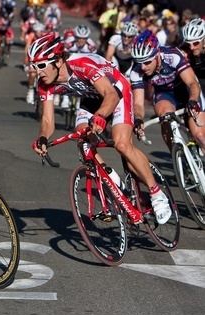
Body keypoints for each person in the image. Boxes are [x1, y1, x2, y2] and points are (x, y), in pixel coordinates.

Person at [29, 33, 172, 225]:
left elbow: (110, 94)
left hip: (116, 91)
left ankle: (157, 194)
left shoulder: (82, 64)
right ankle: (116, 184)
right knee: (83, 140)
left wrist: (101, 116)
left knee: (121, 144)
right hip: (90, 98)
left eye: (41, 65)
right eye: (34, 66)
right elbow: (47, 120)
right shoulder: (44, 84)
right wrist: (43, 138)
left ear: (58, 61)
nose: (37, 72)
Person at [130, 30, 205, 152]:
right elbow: (138, 103)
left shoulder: (173, 55)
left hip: (186, 91)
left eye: (147, 62)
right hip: (164, 95)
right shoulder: (136, 71)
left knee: (200, 136)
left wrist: (192, 100)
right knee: (164, 116)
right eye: (140, 63)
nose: (143, 67)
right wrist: (138, 118)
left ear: (157, 54)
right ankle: (178, 156)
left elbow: (192, 83)